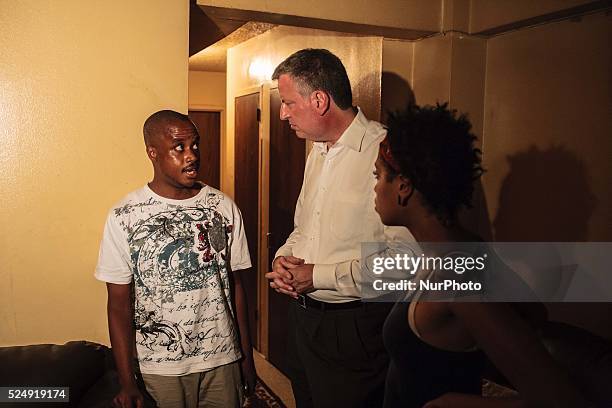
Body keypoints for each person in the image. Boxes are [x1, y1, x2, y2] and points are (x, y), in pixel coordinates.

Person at [373, 103, 587, 407]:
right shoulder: (459, 250)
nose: (375, 187)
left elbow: (560, 399)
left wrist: (457, 403)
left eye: (378, 175)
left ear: (404, 186)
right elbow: (533, 312)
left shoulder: (457, 273)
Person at [264, 49, 414, 408]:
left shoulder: (387, 152)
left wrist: (319, 275)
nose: (282, 113)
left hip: (355, 329)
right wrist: (285, 258)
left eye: (287, 103)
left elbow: (407, 263)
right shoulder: (317, 152)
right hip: (302, 322)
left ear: (319, 100)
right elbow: (304, 228)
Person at [95, 110, 256, 408]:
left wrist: (245, 357)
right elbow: (118, 303)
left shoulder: (222, 207)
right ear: (153, 153)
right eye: (179, 147)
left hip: (222, 360)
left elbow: (235, 288)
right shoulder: (125, 216)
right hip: (159, 369)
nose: (191, 155)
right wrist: (127, 381)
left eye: (195, 145)